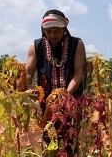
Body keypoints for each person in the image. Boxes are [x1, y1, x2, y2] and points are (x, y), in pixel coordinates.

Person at [25, 9, 86, 156]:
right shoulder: (36, 46)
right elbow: (28, 73)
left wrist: (65, 95)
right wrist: (27, 90)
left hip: (71, 102)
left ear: (64, 29)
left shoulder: (76, 44)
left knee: (70, 145)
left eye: (56, 31)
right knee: (48, 144)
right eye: (48, 31)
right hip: (46, 106)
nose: (52, 35)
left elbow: (79, 73)